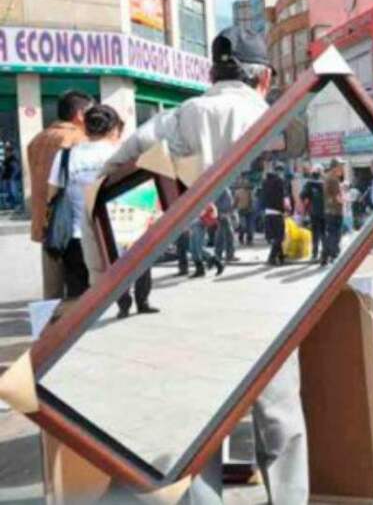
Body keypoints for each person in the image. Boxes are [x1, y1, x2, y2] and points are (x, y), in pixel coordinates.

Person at [100, 26, 309, 505]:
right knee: (278, 414)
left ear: (213, 72)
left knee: (203, 413)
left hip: (203, 289)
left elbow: (118, 163)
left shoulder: (185, 115)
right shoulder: (279, 119)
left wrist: (182, 198)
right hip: (267, 284)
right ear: (265, 77)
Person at [46, 105, 126, 302]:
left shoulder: (65, 155)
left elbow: (52, 194)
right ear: (113, 128)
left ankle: (79, 328)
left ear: (85, 127)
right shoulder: (120, 154)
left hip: (76, 235)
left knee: (78, 295)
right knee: (117, 285)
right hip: (116, 234)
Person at [27, 90, 92, 299]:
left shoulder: (37, 139)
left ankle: (49, 324)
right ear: (81, 114)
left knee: (52, 287)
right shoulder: (79, 139)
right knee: (78, 284)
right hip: (71, 222)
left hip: (46, 221)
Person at [190, 202, 224, 277]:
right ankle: (200, 270)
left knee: (199, 249)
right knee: (193, 249)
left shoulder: (205, 200)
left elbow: (210, 212)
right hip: (193, 225)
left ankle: (218, 264)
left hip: (199, 224)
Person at [322, 159, 346, 265]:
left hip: (328, 210)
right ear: (335, 167)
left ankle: (325, 256)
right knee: (336, 235)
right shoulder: (334, 179)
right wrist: (346, 201)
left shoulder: (327, 177)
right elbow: (337, 197)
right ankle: (333, 255)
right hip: (335, 210)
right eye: (341, 166)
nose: (342, 168)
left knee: (330, 234)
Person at [262, 164, 287, 266]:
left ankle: (281, 257)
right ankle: (271, 257)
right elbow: (281, 198)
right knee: (279, 237)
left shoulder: (265, 182)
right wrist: (284, 210)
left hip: (268, 212)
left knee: (276, 236)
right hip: (277, 212)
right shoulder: (279, 182)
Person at [303, 165, 325, 262]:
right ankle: (325, 253)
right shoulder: (325, 182)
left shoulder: (309, 183)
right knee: (324, 233)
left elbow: (303, 196)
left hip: (314, 212)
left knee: (315, 234)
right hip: (324, 212)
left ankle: (315, 253)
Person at [213, 186, 236, 263]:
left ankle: (224, 254)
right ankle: (226, 255)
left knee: (225, 235)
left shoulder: (224, 188)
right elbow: (216, 202)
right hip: (223, 214)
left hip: (224, 214)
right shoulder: (221, 189)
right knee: (225, 236)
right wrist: (221, 213)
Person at [234, 181, 256, 246]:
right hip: (241, 211)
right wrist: (232, 208)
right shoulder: (238, 192)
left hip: (249, 211)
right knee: (243, 226)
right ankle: (241, 238)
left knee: (250, 226)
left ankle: (249, 240)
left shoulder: (250, 192)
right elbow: (235, 201)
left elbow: (252, 201)